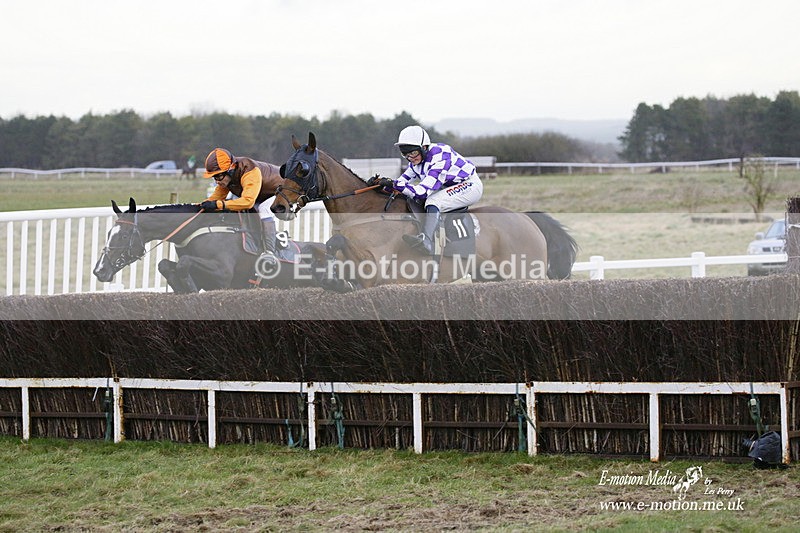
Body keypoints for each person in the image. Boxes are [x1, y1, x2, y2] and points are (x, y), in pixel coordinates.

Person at [368, 125, 483, 254]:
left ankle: (426, 241)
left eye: (413, 153)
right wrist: (381, 186)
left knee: (433, 201)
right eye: (405, 154)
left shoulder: (440, 156)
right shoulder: (415, 161)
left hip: (469, 185)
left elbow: (422, 193)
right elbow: (401, 183)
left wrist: (394, 184)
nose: (410, 158)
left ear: (424, 147)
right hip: (447, 187)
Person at [200, 147, 282, 273]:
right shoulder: (226, 178)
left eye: (218, 176)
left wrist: (219, 205)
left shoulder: (249, 171)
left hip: (281, 190)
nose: (217, 181)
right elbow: (213, 200)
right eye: (214, 177)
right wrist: (198, 207)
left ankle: (270, 253)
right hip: (260, 194)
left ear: (231, 170)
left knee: (263, 208)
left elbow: (248, 201)